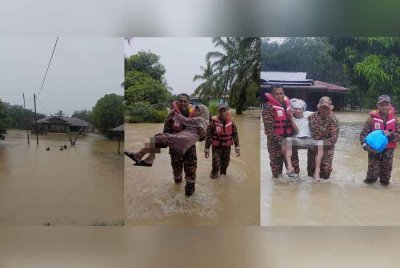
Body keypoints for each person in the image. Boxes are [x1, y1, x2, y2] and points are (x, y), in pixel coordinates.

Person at [125, 94, 206, 196]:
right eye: (180, 101)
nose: (183, 103)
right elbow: (165, 133)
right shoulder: (171, 116)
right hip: (175, 151)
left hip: (190, 151)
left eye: (185, 101)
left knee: (191, 177)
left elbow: (202, 136)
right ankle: (145, 158)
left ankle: (188, 200)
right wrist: (165, 139)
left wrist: (203, 135)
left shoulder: (196, 115)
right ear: (177, 102)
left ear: (189, 102)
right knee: (177, 177)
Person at [281, 98, 325, 181]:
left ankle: (316, 172)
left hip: (308, 139)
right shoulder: (290, 117)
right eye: (295, 109)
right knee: (287, 141)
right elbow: (296, 131)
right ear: (292, 110)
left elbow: (320, 113)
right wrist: (291, 118)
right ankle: (290, 166)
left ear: (303, 109)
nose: (298, 111)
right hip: (296, 139)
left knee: (320, 144)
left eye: (300, 109)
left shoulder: (308, 114)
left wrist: (320, 107)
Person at [360, 95, 400, 186]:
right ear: (377, 106)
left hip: (388, 151)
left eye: (386, 104)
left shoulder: (395, 120)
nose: (384, 107)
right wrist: (367, 148)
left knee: (385, 179)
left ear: (390, 106)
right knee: (371, 177)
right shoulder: (371, 120)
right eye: (382, 105)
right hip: (374, 151)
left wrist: (391, 135)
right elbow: (363, 136)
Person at [262, 84, 299, 178]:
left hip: (290, 142)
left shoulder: (289, 105)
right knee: (277, 175)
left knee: (294, 173)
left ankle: (292, 192)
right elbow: (269, 131)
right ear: (272, 94)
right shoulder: (268, 108)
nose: (280, 96)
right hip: (275, 145)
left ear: (284, 93)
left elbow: (299, 119)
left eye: (281, 93)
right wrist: (283, 142)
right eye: (276, 94)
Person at [307, 96, 339, 180]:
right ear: (318, 107)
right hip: (313, 145)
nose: (324, 110)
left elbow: (334, 138)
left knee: (325, 171)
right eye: (322, 108)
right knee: (311, 172)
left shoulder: (334, 120)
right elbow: (306, 132)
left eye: (326, 108)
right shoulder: (311, 117)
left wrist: (321, 145)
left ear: (331, 108)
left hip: (327, 146)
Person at [204, 104, 240, 179]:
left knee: (225, 166)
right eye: (220, 111)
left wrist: (237, 147)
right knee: (216, 165)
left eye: (224, 111)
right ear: (218, 112)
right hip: (216, 148)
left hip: (227, 148)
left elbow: (235, 135)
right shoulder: (213, 124)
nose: (222, 113)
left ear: (227, 111)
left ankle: (223, 181)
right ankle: (214, 179)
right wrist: (206, 149)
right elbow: (208, 136)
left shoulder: (231, 123)